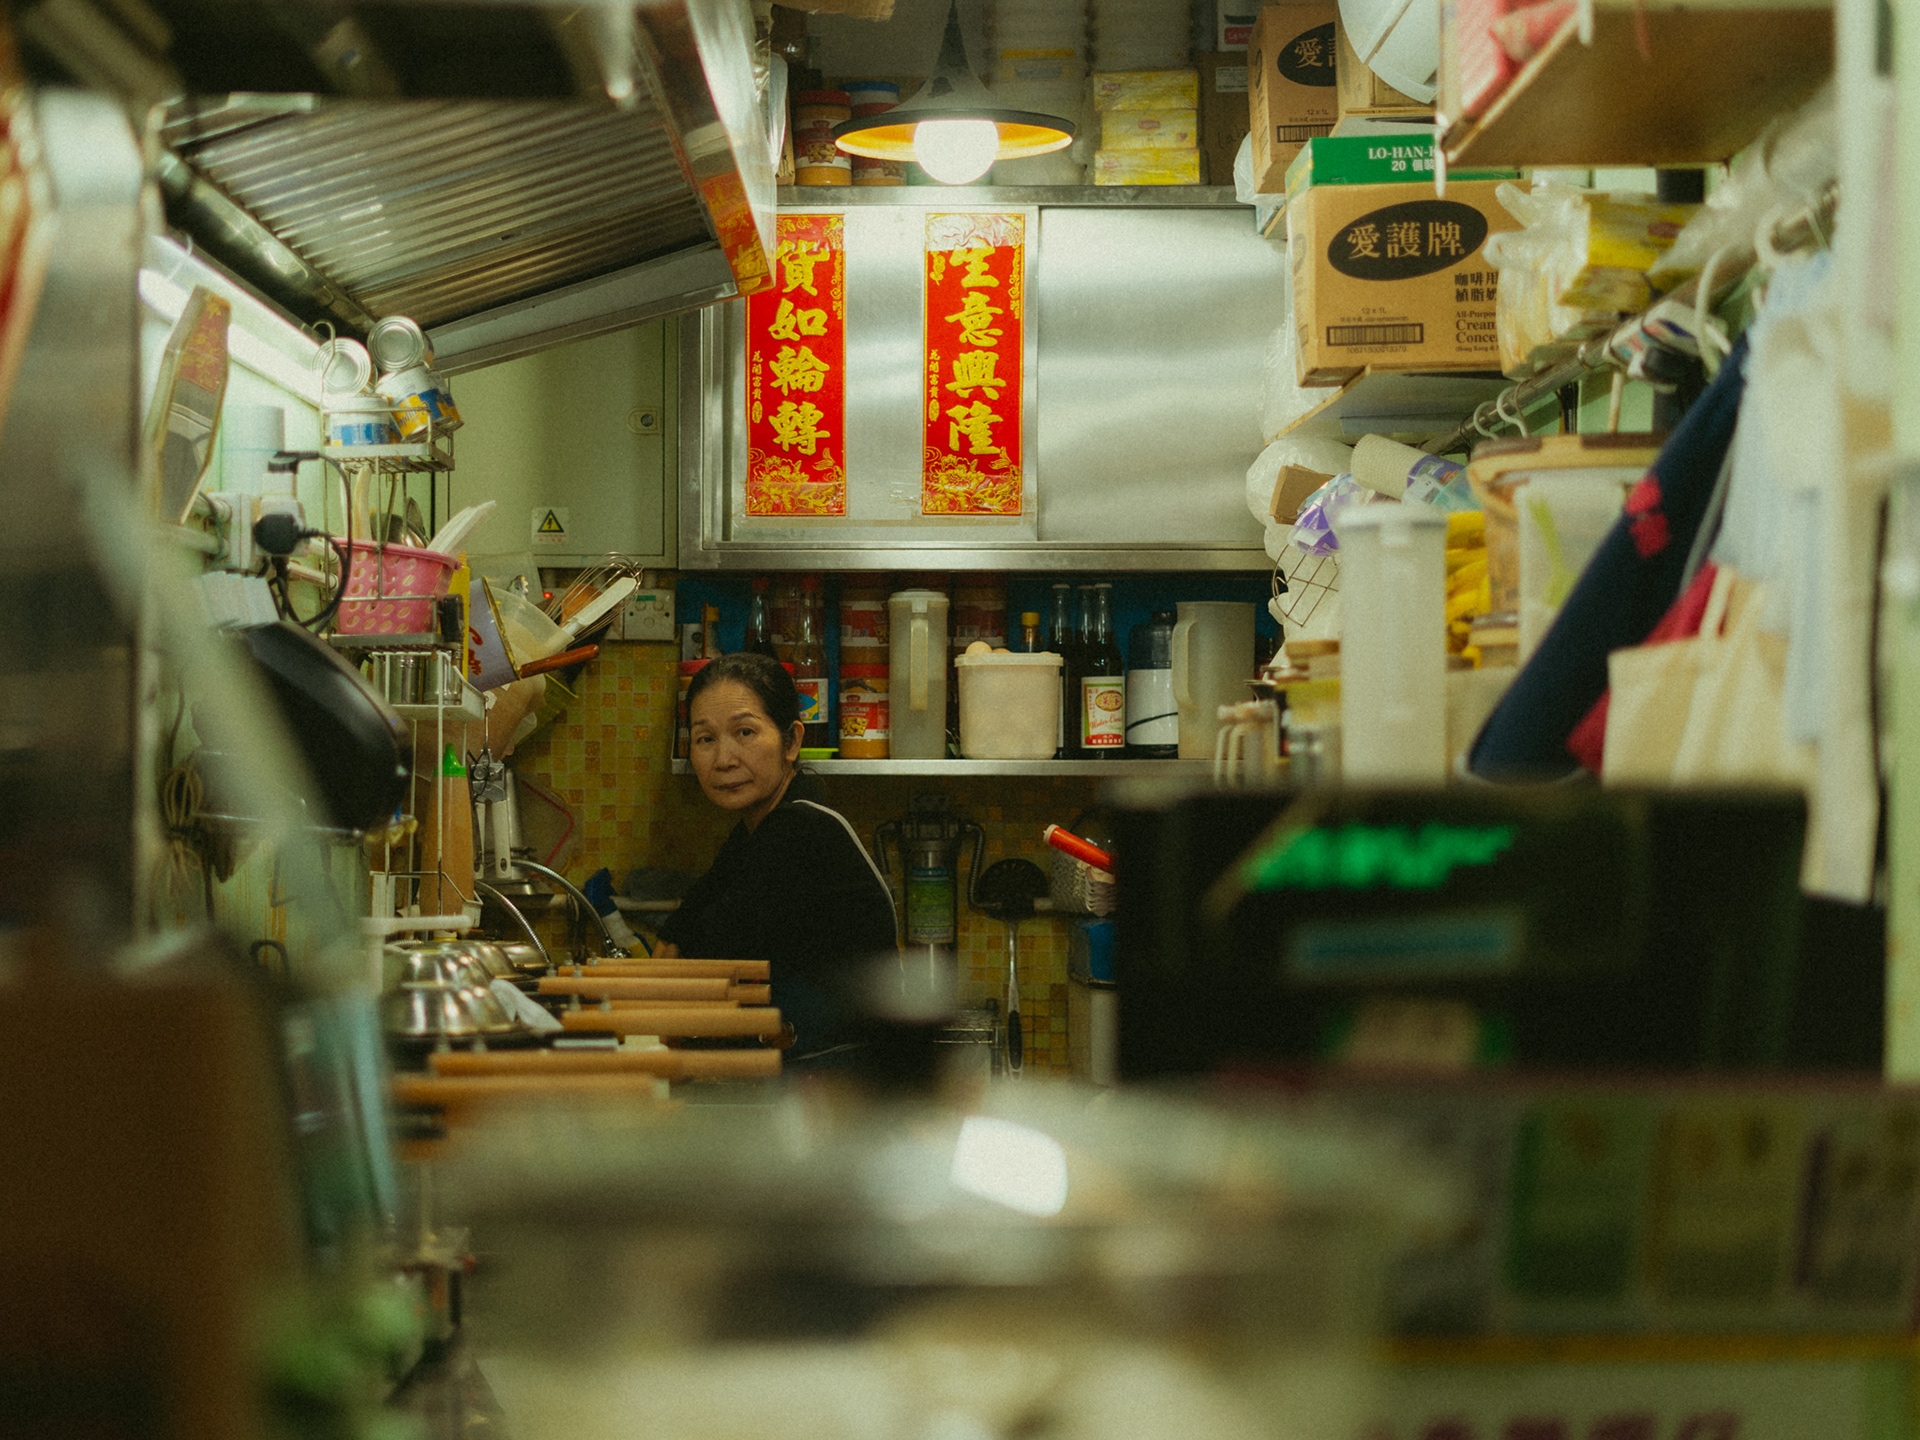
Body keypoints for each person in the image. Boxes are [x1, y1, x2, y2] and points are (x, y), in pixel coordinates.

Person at [657, 652, 897, 1060]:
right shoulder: (758, 832)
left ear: (792, 741)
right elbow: (686, 926)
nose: (724, 759)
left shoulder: (802, 831)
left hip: (849, 1090)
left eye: (745, 733)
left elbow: (709, 946)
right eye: (705, 739)